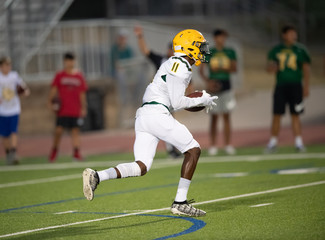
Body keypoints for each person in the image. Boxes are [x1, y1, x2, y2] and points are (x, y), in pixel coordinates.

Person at [83, 29, 217, 217]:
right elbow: (178, 102)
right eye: (200, 46)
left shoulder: (175, 63)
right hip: (157, 114)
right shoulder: (181, 64)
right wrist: (201, 100)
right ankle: (180, 202)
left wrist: (198, 99)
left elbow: (176, 100)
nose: (203, 51)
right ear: (189, 46)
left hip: (145, 115)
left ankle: (97, 176)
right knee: (193, 149)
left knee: (141, 167)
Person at [134, 25, 182, 158]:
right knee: (164, 123)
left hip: (169, 97)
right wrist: (139, 36)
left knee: (168, 123)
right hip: (159, 97)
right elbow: (145, 51)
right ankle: (170, 149)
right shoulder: (161, 60)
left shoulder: (179, 64)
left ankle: (171, 148)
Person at [266, 25, 311, 153]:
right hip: (281, 86)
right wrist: (272, 68)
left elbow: (306, 68)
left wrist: (306, 86)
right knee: (277, 114)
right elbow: (269, 68)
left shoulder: (300, 50)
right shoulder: (276, 50)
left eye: (294, 33)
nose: (293, 36)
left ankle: (298, 142)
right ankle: (273, 142)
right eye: (290, 33)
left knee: (296, 114)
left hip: (296, 85)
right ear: (284, 35)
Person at [199, 29, 237, 155]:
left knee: (226, 115)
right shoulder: (208, 51)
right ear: (215, 38)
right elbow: (201, 70)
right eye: (220, 37)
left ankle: (228, 144)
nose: (222, 39)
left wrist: (221, 68)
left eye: (224, 37)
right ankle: (213, 145)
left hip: (226, 85)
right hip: (214, 85)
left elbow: (234, 68)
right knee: (214, 117)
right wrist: (208, 81)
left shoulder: (230, 52)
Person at [48, 53, 88, 162]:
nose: (69, 63)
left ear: (74, 61)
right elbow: (53, 90)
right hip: (63, 110)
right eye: (67, 60)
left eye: (71, 60)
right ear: (64, 61)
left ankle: (76, 153)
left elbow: (82, 93)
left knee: (75, 131)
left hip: (75, 109)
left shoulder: (79, 76)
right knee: (58, 131)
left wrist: (84, 107)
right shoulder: (60, 75)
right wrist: (50, 102)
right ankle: (54, 151)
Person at [0, 57, 30, 165]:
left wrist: (25, 91)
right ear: (1, 66)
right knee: (4, 134)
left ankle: (13, 153)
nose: (8, 67)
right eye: (5, 65)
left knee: (14, 131)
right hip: (2, 110)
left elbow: (23, 86)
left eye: (9, 65)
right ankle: (8, 153)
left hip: (14, 109)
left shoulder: (14, 76)